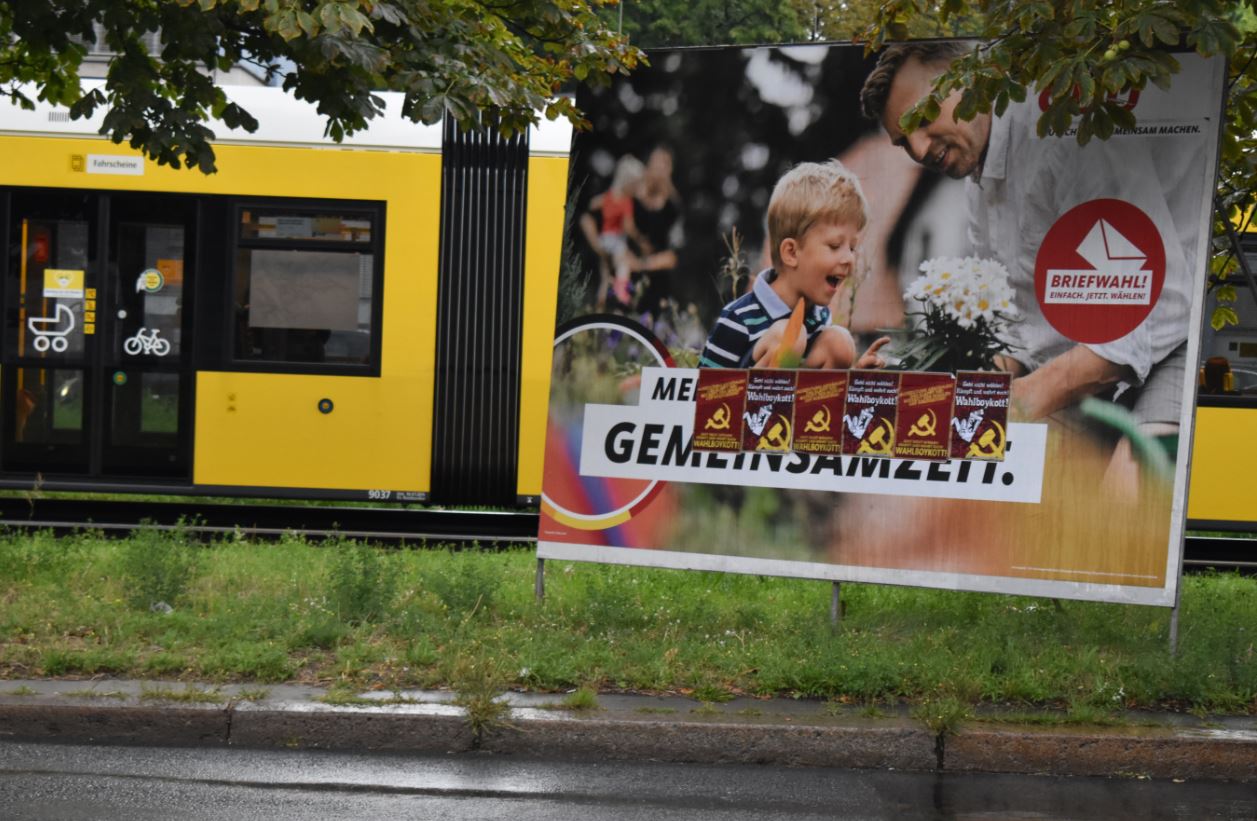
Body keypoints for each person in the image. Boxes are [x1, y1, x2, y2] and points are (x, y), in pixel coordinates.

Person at [859, 42, 1200, 455]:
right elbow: (1017, 322)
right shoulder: (978, 183)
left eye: (925, 116)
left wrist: (1022, 400)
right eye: (902, 142)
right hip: (1080, 367)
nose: (917, 150)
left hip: (1173, 336)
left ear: (968, 77)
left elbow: (1156, 301)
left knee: (1126, 494)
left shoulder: (1064, 141)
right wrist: (967, 395)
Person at [700, 160, 889, 370]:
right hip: (740, 401)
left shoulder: (819, 319)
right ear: (791, 252)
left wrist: (854, 378)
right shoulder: (739, 318)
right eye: (835, 246)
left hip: (800, 401)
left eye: (852, 248)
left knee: (840, 343)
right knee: (788, 336)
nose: (849, 258)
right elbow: (700, 393)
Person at [581, 154, 648, 309]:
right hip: (616, 241)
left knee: (605, 274)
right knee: (623, 264)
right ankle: (621, 291)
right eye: (635, 184)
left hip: (604, 240)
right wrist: (639, 239)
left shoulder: (608, 197)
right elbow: (629, 227)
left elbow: (593, 204)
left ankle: (601, 299)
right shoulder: (626, 202)